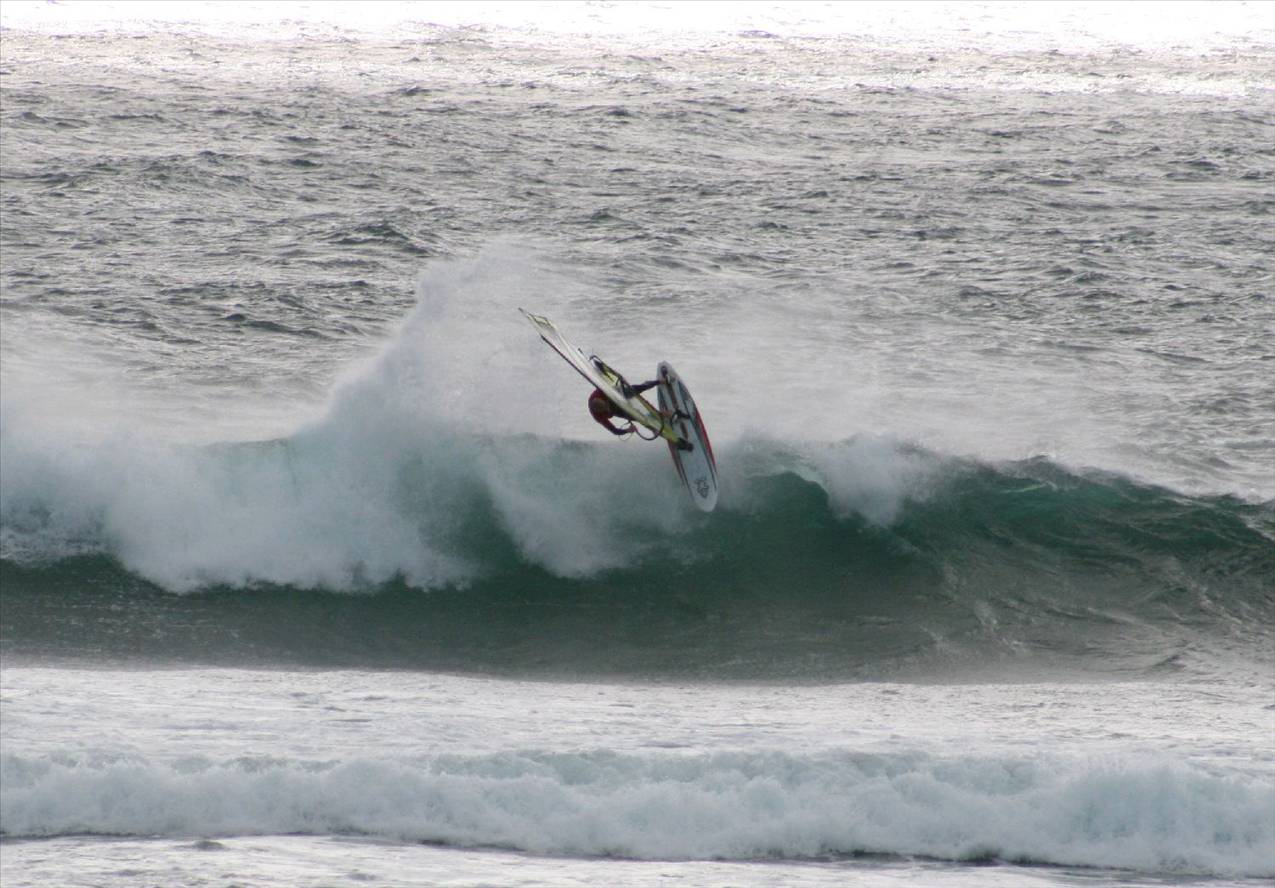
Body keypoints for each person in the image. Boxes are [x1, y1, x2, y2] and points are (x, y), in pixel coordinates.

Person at [587, 377, 657, 437]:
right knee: (636, 417)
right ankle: (653, 428)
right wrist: (628, 430)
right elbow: (614, 431)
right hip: (614, 410)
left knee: (633, 390)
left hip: (614, 396)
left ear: (602, 400)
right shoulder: (598, 417)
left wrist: (621, 381)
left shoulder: (600, 392)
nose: (606, 408)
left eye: (606, 406)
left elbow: (607, 381)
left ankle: (659, 381)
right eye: (605, 409)